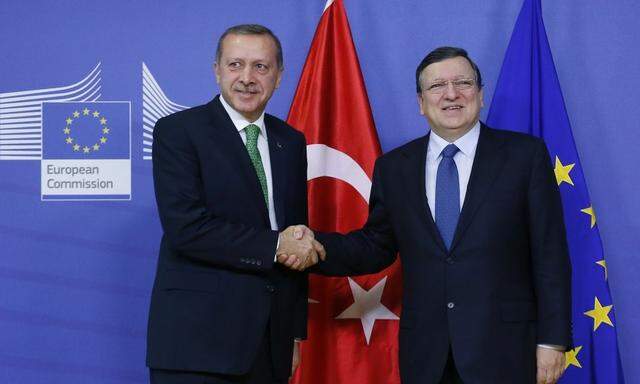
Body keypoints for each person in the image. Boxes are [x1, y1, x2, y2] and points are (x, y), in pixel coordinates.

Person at [305, 46, 572, 383]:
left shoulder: (524, 156)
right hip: (427, 353)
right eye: (437, 86)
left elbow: (550, 256)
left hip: (505, 349)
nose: (451, 94)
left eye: (463, 83)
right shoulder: (394, 168)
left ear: (480, 94)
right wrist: (313, 246)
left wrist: (552, 340)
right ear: (420, 102)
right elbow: (375, 246)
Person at [146, 24, 324, 384]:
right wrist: (276, 245)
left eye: (261, 66)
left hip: (269, 343)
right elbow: (187, 229)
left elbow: (296, 234)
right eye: (235, 64)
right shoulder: (178, 132)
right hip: (197, 344)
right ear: (216, 70)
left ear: (278, 76)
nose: (247, 78)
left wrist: (292, 333)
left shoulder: (290, 141)